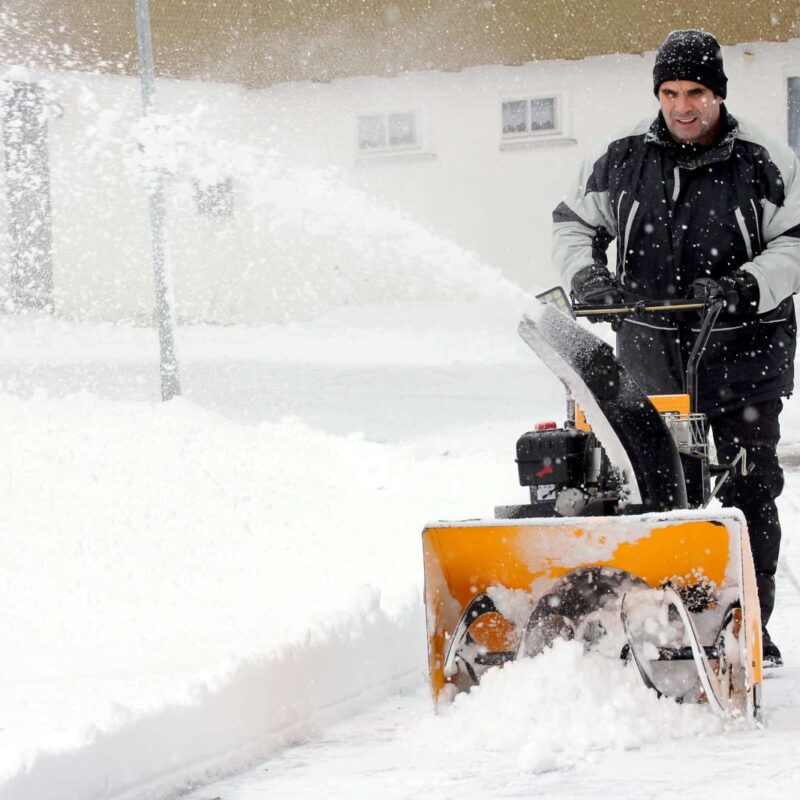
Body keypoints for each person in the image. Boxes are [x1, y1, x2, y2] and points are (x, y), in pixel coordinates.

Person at [551, 29, 800, 668]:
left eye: (695, 93)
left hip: (743, 353)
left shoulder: (764, 160)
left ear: (718, 94)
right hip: (650, 354)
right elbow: (574, 223)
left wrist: (744, 285)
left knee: (748, 490)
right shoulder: (623, 157)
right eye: (669, 93)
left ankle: (750, 628)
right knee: (656, 488)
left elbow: (795, 244)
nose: (682, 107)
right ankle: (657, 623)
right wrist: (586, 276)